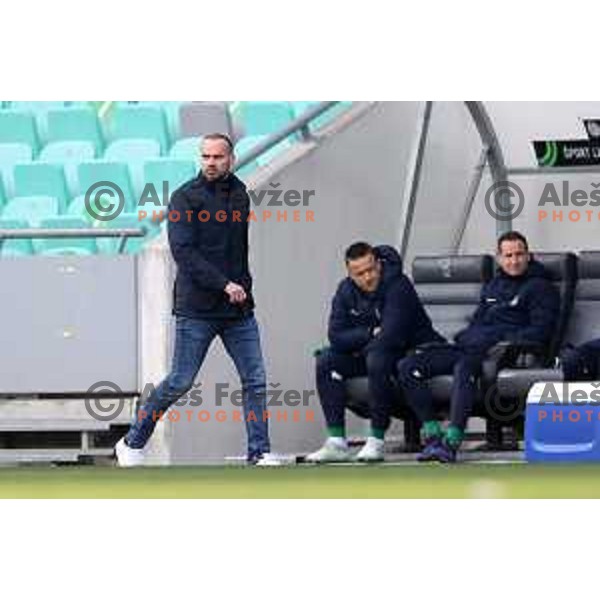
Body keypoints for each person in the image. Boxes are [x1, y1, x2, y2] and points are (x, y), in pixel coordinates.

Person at [116, 133, 278, 467]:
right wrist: (224, 284)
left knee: (255, 380)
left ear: (231, 159)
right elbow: (184, 253)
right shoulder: (184, 198)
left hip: (238, 309)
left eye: (218, 157)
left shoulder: (241, 195)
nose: (211, 162)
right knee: (180, 381)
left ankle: (259, 451)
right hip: (197, 309)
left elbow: (238, 251)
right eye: (205, 157)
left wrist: (243, 287)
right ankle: (132, 442)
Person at [396, 231, 560, 463]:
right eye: (508, 255)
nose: (514, 261)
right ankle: (433, 436)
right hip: (469, 347)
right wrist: (468, 336)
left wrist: (501, 340)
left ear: (529, 255)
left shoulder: (541, 287)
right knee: (408, 366)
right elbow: (478, 321)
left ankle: (451, 442)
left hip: (498, 353)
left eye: (519, 254)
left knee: (464, 368)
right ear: (499, 258)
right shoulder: (494, 285)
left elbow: (540, 331)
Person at [306, 242, 445, 463]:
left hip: (410, 352)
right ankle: (336, 443)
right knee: (326, 360)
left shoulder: (398, 285)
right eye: (360, 273)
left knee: (377, 358)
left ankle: (376, 440)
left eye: (371, 269)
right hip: (374, 351)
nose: (368, 277)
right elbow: (336, 335)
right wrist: (370, 332)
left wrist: (359, 341)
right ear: (350, 274)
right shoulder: (345, 290)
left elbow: (391, 335)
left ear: (378, 264)